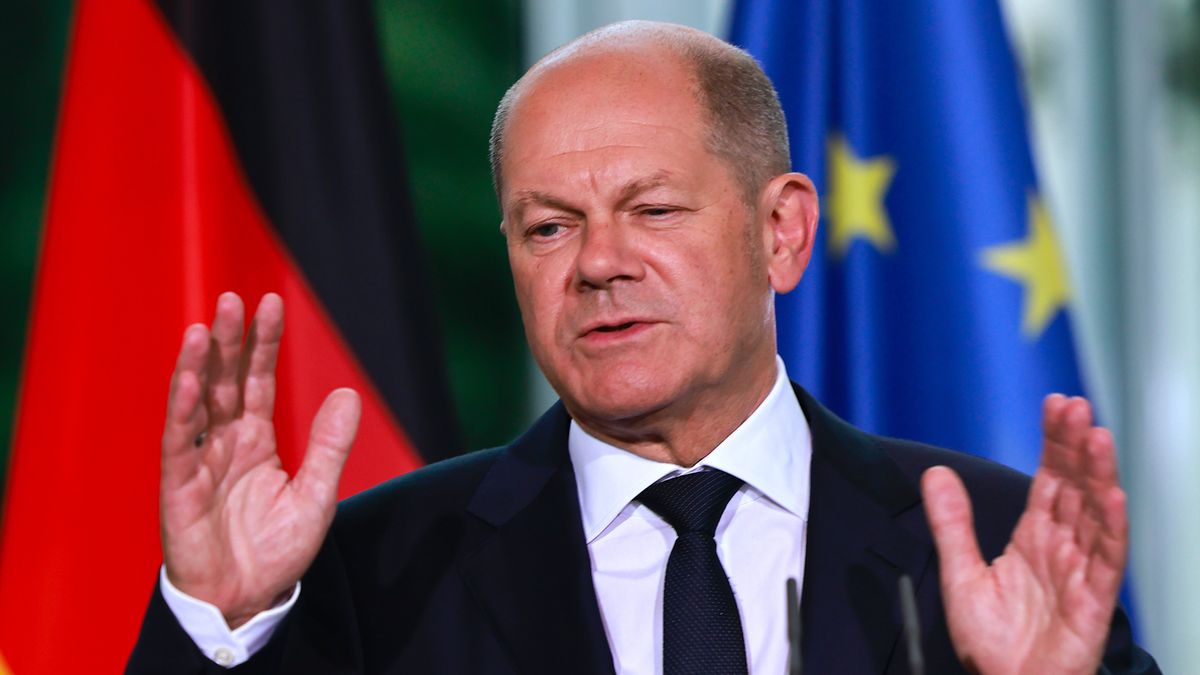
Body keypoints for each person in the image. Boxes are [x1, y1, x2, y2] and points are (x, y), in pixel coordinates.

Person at [127, 21, 1157, 674]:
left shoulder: (991, 539)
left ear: (783, 232)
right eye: (548, 226)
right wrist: (216, 619)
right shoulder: (373, 568)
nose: (598, 263)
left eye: (653, 210)